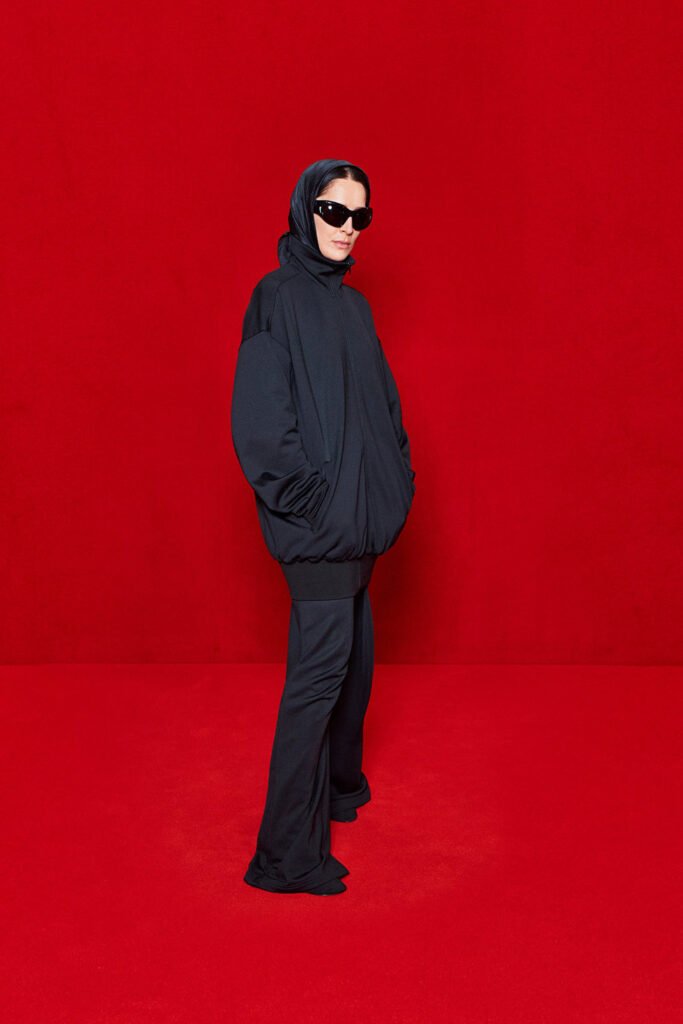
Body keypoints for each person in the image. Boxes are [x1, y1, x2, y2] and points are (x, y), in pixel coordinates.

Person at [230, 158, 416, 895]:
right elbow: (260, 425)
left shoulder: (354, 308)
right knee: (318, 679)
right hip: (319, 530)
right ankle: (284, 856)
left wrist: (395, 486)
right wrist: (313, 503)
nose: (346, 228)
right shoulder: (275, 297)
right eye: (333, 211)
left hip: (361, 526)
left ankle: (341, 788)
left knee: (355, 667)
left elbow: (385, 410)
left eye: (358, 216)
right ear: (304, 210)